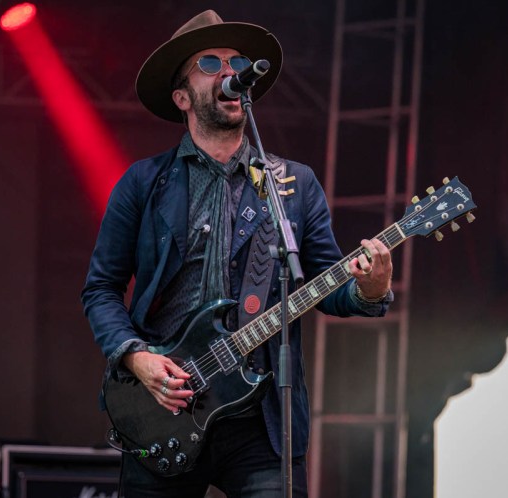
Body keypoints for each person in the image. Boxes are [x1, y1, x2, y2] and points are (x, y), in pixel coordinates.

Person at [81, 10, 393, 498]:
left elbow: (326, 286)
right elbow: (101, 289)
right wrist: (137, 357)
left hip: (260, 419)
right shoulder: (144, 183)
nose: (230, 71)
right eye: (210, 62)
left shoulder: (292, 184)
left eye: (238, 62)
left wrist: (370, 289)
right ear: (182, 96)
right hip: (163, 406)